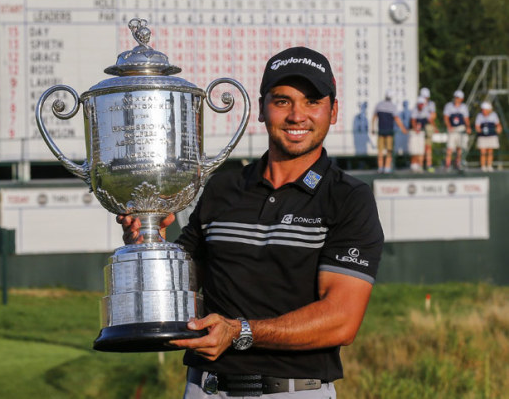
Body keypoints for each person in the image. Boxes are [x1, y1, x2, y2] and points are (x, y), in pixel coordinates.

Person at [118, 46, 384, 398]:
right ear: (261, 109)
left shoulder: (349, 197)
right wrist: (151, 240)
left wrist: (240, 331)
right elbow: (184, 284)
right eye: (283, 101)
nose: (297, 116)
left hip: (295, 391)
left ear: (333, 111)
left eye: (312, 102)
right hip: (205, 388)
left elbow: (341, 320)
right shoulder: (222, 188)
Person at [371, 90, 407, 173]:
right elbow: (397, 119)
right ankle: (387, 167)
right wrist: (403, 129)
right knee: (389, 150)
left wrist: (372, 128)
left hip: (381, 131)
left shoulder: (379, 105)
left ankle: (380, 168)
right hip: (389, 133)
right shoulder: (393, 106)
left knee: (380, 151)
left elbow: (374, 118)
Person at [443, 90, 471, 171]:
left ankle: (458, 164)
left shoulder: (464, 107)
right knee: (450, 147)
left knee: (460, 147)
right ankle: (447, 165)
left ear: (462, 99)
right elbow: (446, 117)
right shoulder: (449, 106)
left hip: (461, 128)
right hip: (452, 129)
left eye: (458, 98)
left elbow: (466, 119)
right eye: (456, 97)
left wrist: (468, 127)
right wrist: (449, 126)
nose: (456, 99)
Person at [475, 101, 502, 172]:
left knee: (490, 151)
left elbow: (498, 125)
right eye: (483, 109)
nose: (483, 111)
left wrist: (499, 129)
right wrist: (479, 129)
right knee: (483, 151)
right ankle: (483, 166)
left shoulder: (494, 115)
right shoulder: (479, 115)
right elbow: (477, 126)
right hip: (482, 136)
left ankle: (489, 166)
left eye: (485, 109)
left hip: (491, 135)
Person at [418, 87, 439, 171]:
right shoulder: (418, 103)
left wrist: (433, 125)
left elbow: (433, 116)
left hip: (428, 126)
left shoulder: (431, 104)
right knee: (420, 147)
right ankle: (420, 165)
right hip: (420, 126)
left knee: (428, 146)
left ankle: (428, 164)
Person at [408, 97, 428, 172]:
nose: (421, 105)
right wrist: (416, 129)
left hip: (421, 132)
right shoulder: (414, 110)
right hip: (414, 132)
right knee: (414, 149)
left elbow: (426, 121)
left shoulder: (425, 111)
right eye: (420, 104)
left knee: (420, 150)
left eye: (422, 104)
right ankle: (413, 165)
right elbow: (413, 121)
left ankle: (420, 165)